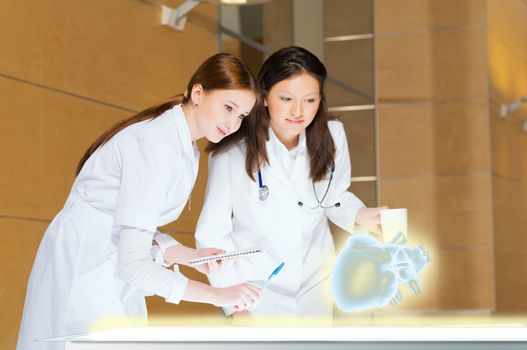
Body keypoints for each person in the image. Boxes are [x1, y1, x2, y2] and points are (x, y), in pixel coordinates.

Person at [17, 53, 261, 350]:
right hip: (86, 266)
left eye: (241, 116)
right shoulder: (158, 144)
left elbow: (132, 223)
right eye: (228, 107)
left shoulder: (182, 143)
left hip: (104, 265)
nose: (233, 122)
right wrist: (220, 296)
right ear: (198, 93)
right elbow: (133, 264)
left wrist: (186, 255)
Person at [195, 46, 385, 321]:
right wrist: (234, 303)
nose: (298, 111)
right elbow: (212, 235)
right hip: (257, 291)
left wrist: (360, 214)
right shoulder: (231, 153)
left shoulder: (332, 135)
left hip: (315, 285)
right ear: (264, 97)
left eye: (310, 100)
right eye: (286, 98)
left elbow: (333, 195)